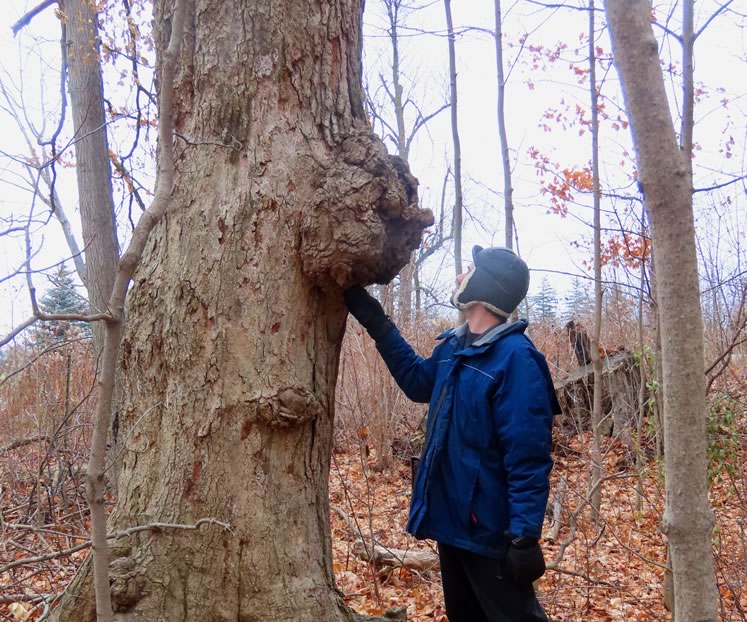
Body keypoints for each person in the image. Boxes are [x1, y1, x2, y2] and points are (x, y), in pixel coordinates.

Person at [343, 245, 559, 622]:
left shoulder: (518, 360)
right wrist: (377, 323)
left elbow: (528, 459)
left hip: (491, 535)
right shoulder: (455, 348)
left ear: (486, 287)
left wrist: (524, 537)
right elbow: (416, 382)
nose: (461, 276)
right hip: (451, 525)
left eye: (470, 270)